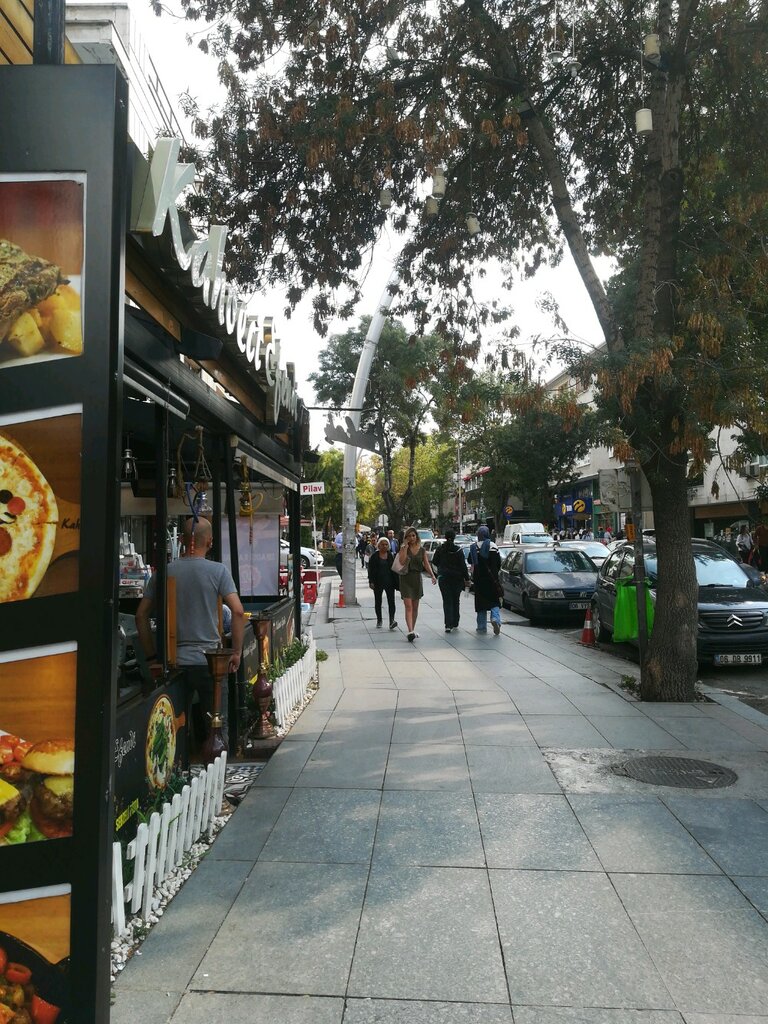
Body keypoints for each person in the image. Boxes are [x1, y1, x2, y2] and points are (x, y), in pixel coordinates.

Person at [136, 517, 245, 747]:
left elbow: (140, 616)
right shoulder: (218, 572)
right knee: (216, 727)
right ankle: (217, 776)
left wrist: (151, 657)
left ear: (183, 541)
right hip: (210, 663)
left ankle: (178, 776)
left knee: (172, 730)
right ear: (210, 541)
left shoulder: (163, 573)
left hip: (173, 663)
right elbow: (237, 612)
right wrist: (236, 652)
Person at [394, 525, 437, 641]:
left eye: (413, 535)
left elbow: (426, 564)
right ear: (406, 537)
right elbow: (402, 561)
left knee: (415, 607)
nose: (412, 538)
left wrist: (432, 575)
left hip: (417, 578)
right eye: (409, 536)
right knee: (408, 606)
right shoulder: (404, 548)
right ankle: (410, 631)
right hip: (406, 578)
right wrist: (404, 547)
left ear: (416, 536)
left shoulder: (422, 550)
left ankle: (412, 628)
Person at [432, 529, 469, 632]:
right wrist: (467, 579)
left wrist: (440, 571)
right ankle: (455, 622)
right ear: (454, 538)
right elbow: (463, 566)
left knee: (447, 601)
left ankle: (448, 624)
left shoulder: (440, 549)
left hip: (444, 579)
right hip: (457, 579)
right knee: (456, 600)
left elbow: (434, 562)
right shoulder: (458, 550)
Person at [468, 525, 502, 635]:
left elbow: (470, 560)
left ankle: (482, 627)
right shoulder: (493, 546)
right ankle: (495, 619)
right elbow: (498, 563)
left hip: (479, 580)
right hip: (492, 579)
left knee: (481, 604)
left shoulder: (474, 547)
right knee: (494, 601)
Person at [367, 536, 398, 629]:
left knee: (391, 602)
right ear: (378, 546)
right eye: (382, 545)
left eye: (386, 544)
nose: (384, 546)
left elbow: (394, 569)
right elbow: (370, 570)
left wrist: (397, 583)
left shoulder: (390, 555)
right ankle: (379, 620)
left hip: (389, 582)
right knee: (378, 602)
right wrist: (371, 581)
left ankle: (391, 620)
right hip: (377, 582)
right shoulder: (374, 556)